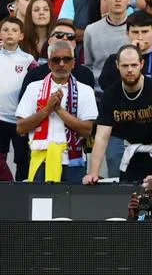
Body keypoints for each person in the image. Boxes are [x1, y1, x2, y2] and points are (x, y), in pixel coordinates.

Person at [85, 44, 152, 183]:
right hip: (134, 151)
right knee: (130, 199)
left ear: (142, 64)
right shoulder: (111, 95)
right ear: (117, 65)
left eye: (134, 65)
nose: (129, 70)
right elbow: (101, 137)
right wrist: (93, 173)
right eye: (125, 66)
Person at [15, 41, 97, 183]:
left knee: (73, 205)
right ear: (49, 64)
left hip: (73, 161)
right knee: (41, 204)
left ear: (73, 63)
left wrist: (58, 110)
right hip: (41, 158)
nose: (61, 64)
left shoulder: (85, 90)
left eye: (66, 59)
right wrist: (47, 109)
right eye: (56, 60)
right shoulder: (34, 88)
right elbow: (20, 127)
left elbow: (87, 130)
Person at [0, 15, 35, 181]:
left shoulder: (28, 60)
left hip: (20, 119)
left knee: (22, 159)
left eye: (14, 30)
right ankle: (8, 186)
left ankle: (21, 189)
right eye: (5, 30)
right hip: (0, 117)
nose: (9, 33)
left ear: (21, 36)